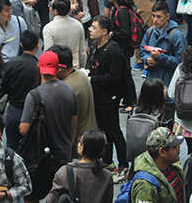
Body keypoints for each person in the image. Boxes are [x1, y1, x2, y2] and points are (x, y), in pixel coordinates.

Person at [19, 51, 79, 202]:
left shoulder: (34, 95)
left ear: (39, 67)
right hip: (63, 155)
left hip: (40, 158)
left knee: (32, 196)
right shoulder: (69, 91)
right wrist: (68, 145)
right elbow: (74, 125)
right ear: (58, 67)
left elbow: (24, 129)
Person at [86, 15, 129, 181]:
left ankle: (124, 164)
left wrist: (93, 79)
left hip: (109, 99)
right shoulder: (95, 45)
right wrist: (88, 71)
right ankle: (108, 161)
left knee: (115, 132)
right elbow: (92, 62)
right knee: (103, 132)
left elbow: (115, 77)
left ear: (105, 31)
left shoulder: (114, 51)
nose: (91, 30)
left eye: (94, 27)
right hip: (97, 97)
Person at [49, 45, 96, 158]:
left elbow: (70, 124)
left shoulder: (66, 88)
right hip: (90, 134)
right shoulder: (81, 74)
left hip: (78, 142)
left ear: (60, 67)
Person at [47, 130, 112, 203]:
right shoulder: (107, 176)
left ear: (82, 147)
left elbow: (50, 200)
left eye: (79, 142)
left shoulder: (65, 172)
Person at [139, 1, 187, 102]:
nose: (155, 20)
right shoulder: (150, 32)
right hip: (152, 83)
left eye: (158, 16)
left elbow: (181, 62)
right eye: (153, 16)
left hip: (169, 84)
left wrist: (161, 57)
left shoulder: (176, 35)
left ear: (167, 16)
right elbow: (142, 50)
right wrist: (147, 59)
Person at [1, 30, 40, 150]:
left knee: (12, 147)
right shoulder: (38, 67)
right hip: (32, 114)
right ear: (37, 46)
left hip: (13, 110)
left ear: (21, 45)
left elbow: (4, 88)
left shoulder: (11, 63)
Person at [130, 127, 185, 203]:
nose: (178, 150)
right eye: (175, 147)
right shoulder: (146, 186)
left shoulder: (171, 166)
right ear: (162, 152)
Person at [42, 0, 87, 69]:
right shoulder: (78, 25)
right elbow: (82, 51)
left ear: (55, 11)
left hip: (57, 69)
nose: (49, 7)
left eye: (50, 5)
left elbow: (48, 54)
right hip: (74, 67)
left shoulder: (48, 28)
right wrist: (82, 68)